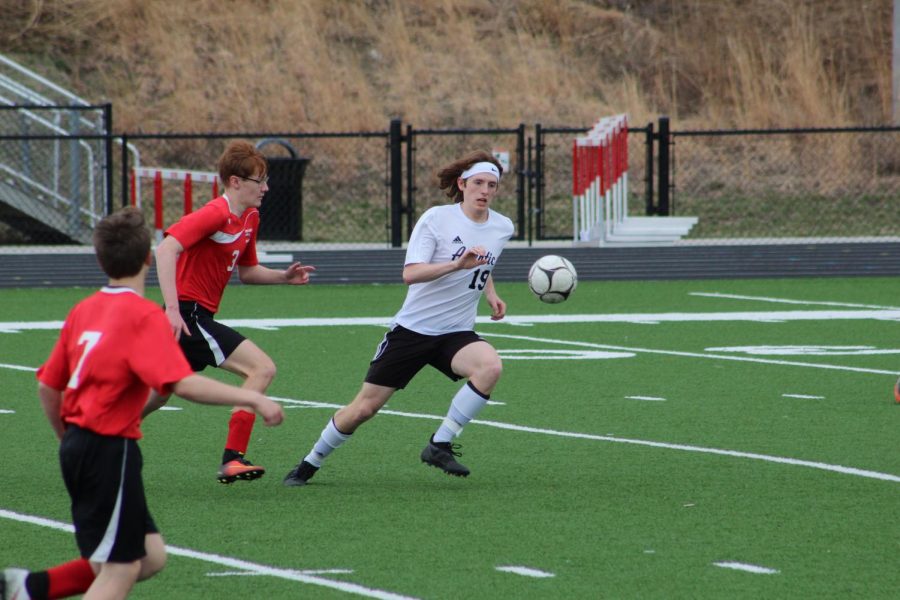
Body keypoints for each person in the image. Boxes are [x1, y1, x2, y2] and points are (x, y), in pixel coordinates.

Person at [1, 207, 284, 600]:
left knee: (149, 557)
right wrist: (251, 396)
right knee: (120, 570)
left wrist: (68, 438)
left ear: (100, 259)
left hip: (83, 447)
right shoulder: (143, 315)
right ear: (148, 259)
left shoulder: (83, 310)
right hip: (108, 450)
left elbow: (48, 388)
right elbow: (182, 384)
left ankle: (26, 588)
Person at [283, 150, 514, 487]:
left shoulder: (502, 226)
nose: (485, 190)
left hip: (456, 333)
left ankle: (440, 444)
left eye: (492, 185)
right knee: (364, 409)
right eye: (478, 182)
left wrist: (490, 293)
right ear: (462, 184)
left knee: (490, 366)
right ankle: (310, 462)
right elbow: (411, 274)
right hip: (413, 331)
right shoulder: (436, 219)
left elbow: (483, 259)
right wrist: (455, 265)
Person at [141, 140, 315, 484]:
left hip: (193, 318)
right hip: (188, 316)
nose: (266, 188)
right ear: (235, 182)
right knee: (262, 368)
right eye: (258, 181)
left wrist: (282, 277)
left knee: (158, 395)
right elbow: (165, 249)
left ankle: (95, 432)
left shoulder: (250, 216)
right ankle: (232, 458)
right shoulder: (216, 213)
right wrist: (172, 310)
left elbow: (248, 272)